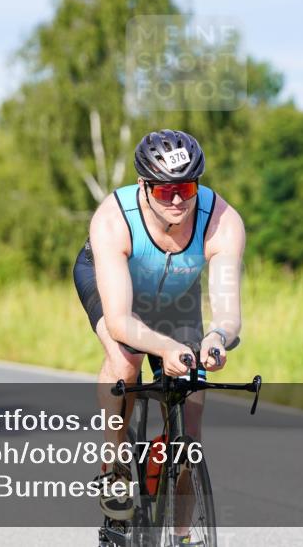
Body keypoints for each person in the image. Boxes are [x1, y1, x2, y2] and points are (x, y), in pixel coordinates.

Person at [73, 129, 246, 531]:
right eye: (164, 189)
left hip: (177, 296)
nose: (176, 200)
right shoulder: (114, 219)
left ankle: (184, 536)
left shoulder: (222, 221)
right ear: (143, 185)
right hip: (118, 291)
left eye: (185, 187)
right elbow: (120, 320)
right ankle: (115, 465)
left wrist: (216, 340)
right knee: (125, 360)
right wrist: (165, 347)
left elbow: (227, 312)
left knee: (192, 433)